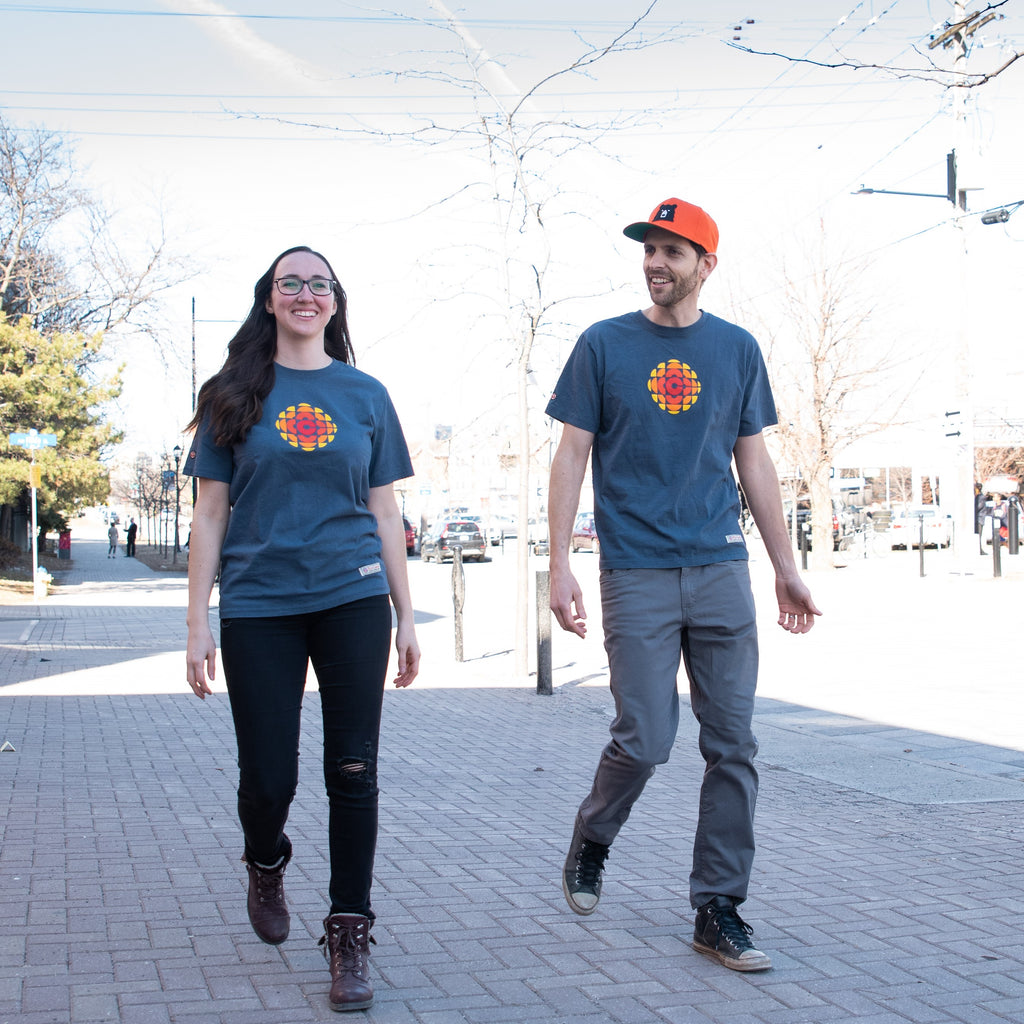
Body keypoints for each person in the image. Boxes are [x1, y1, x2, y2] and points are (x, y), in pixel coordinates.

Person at [546, 198, 821, 973]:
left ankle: (718, 908)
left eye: (673, 250)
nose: (656, 262)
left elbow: (754, 460)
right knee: (646, 737)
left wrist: (785, 567)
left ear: (707, 263)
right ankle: (593, 837)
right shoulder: (603, 344)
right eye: (649, 250)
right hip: (635, 569)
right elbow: (571, 454)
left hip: (720, 566)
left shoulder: (736, 349)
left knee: (734, 742)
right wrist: (561, 560)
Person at [184, 245, 419, 1012]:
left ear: (335, 302)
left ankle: (349, 931)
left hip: (351, 596)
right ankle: (265, 857)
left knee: (352, 771)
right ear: (269, 300)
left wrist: (406, 614)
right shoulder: (232, 393)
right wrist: (196, 624)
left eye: (320, 284)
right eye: (292, 283)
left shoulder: (366, 394)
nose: (306, 294)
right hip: (259, 604)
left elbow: (385, 510)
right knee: (269, 780)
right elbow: (210, 514)